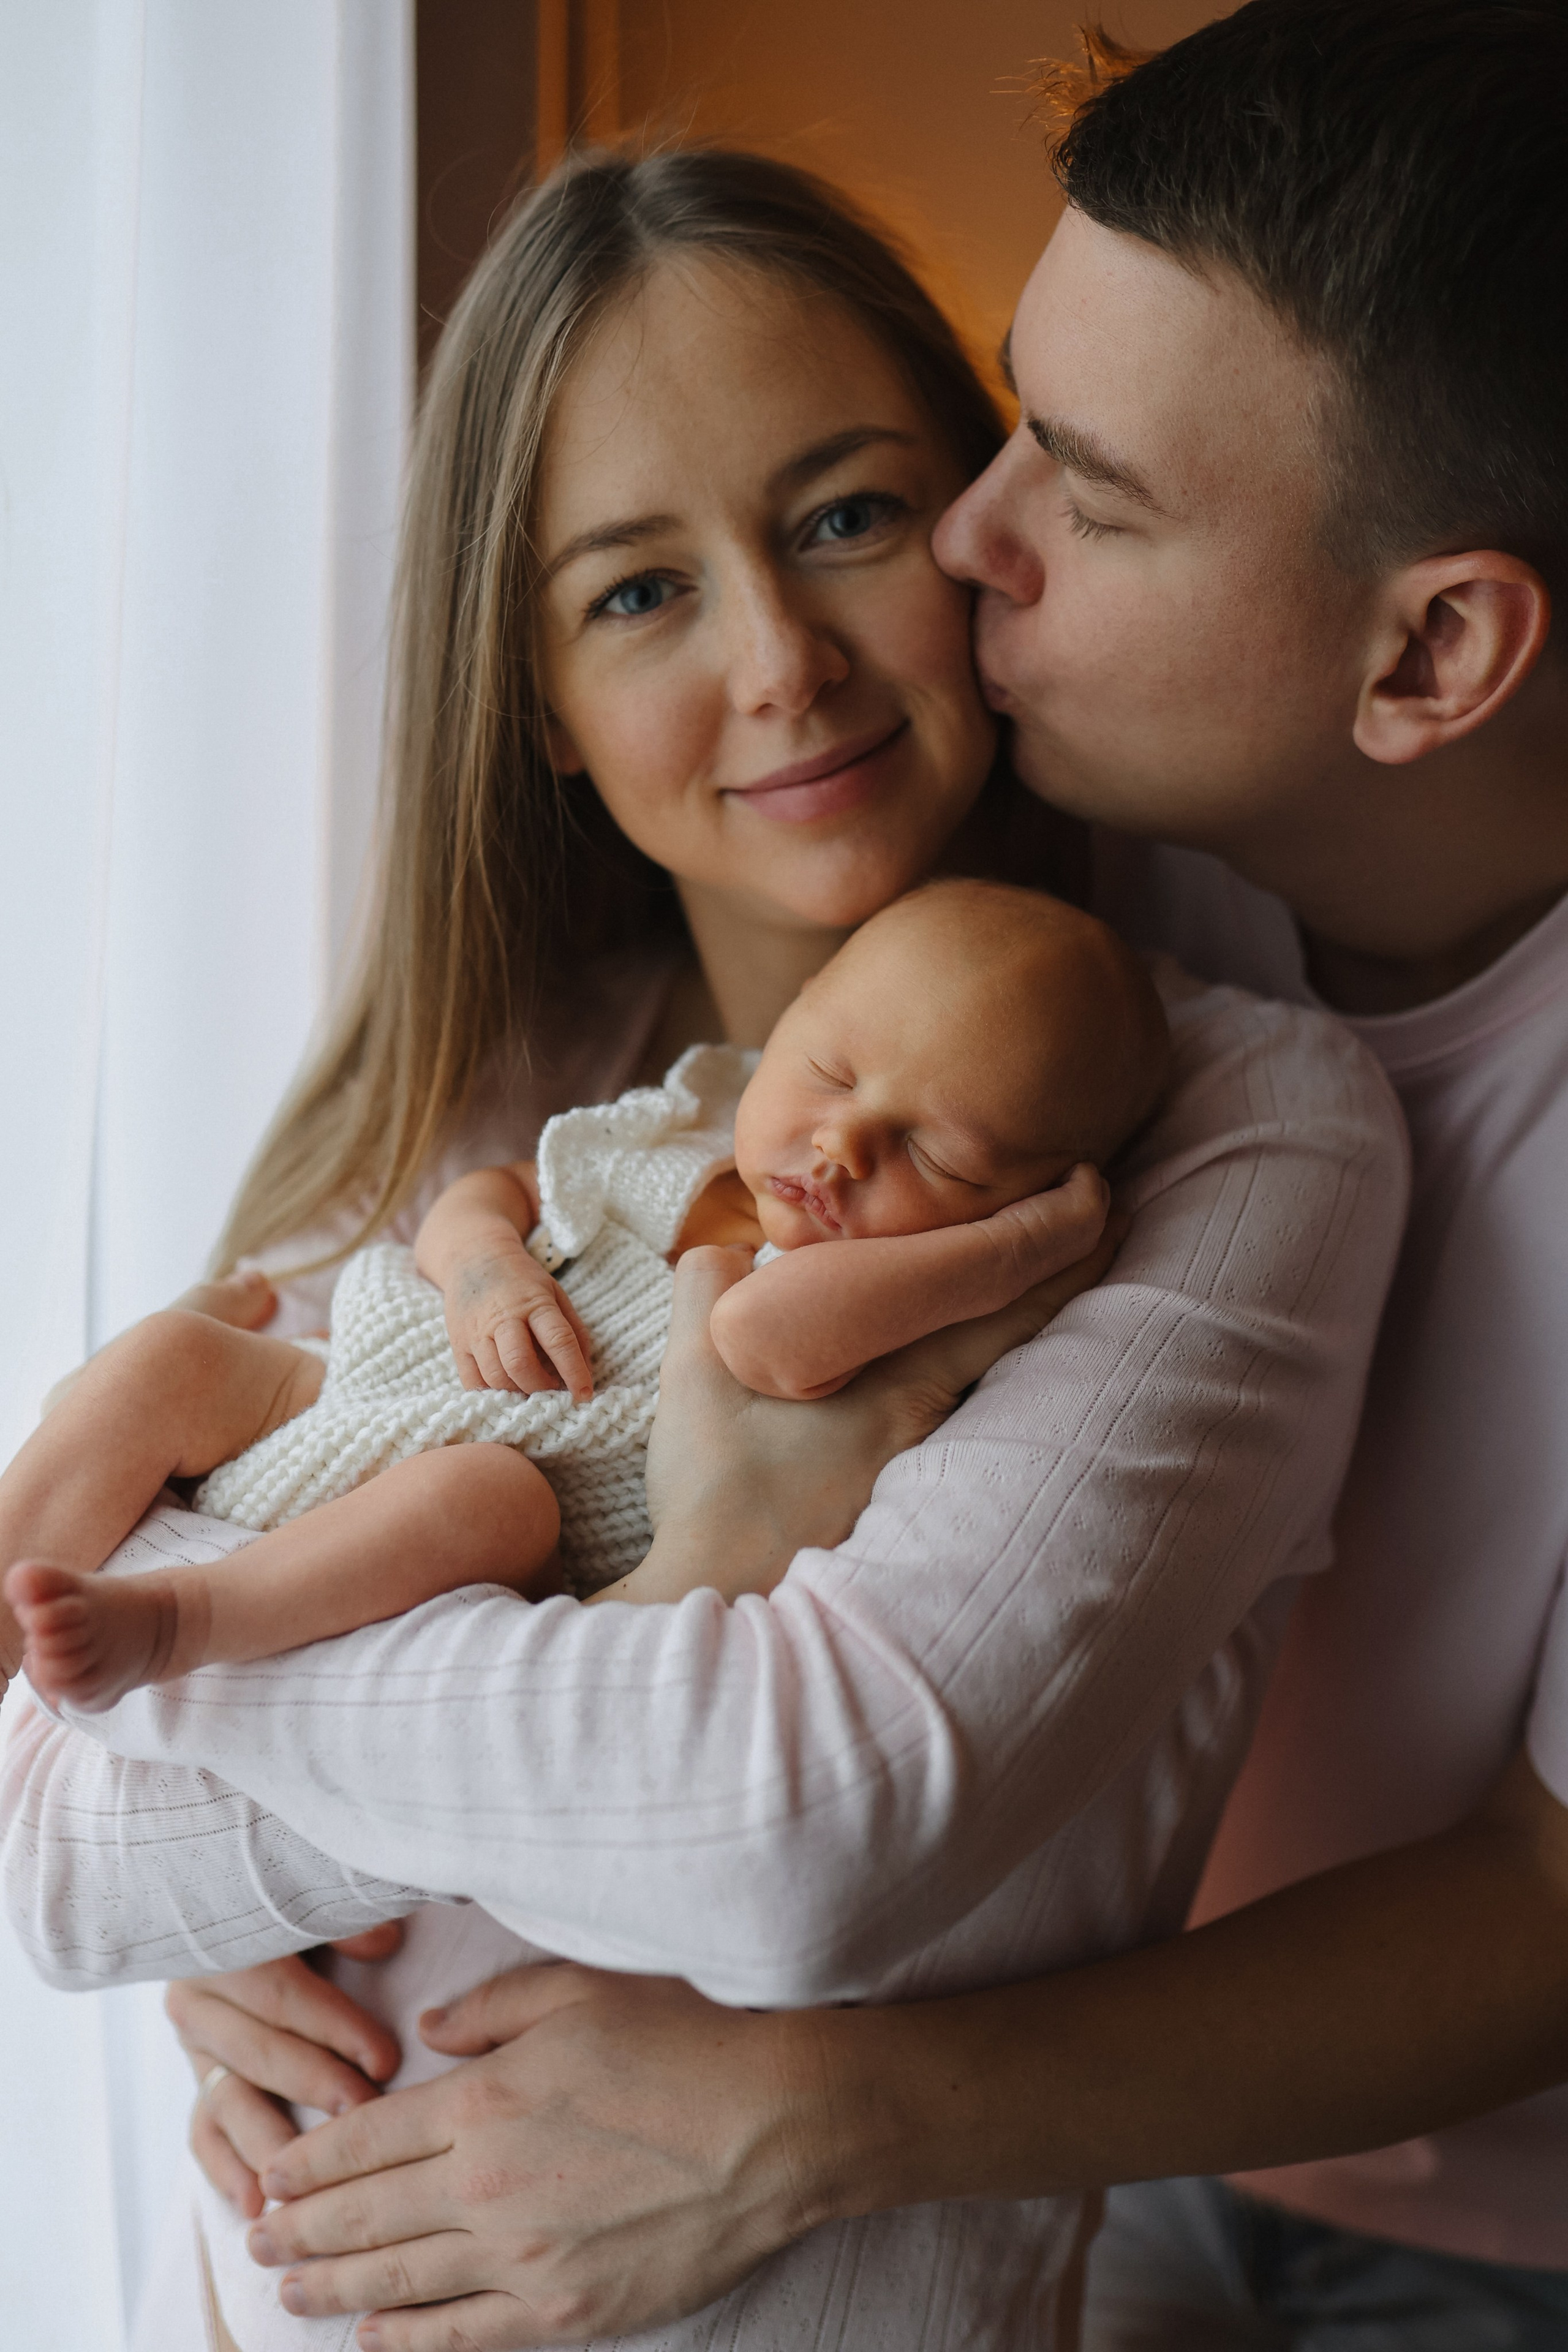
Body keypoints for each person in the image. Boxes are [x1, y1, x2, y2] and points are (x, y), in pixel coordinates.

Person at [159, 6, 1568, 2348]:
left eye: (1081, 489)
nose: (971, 546)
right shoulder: (1008, 888)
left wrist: (805, 2114)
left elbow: (1544, 1904)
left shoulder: (1204, 1064)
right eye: (1001, 423)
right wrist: (239, 1905)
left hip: (1464, 2199)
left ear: (1428, 651)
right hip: (1029, 2089)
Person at [2, 881, 1152, 1709]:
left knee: (483, 1494)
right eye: (832, 1072)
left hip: (499, 1515)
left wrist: (1015, 1252)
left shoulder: (875, 1291)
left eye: (937, 1159)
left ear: (1014, 1207)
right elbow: (487, 1190)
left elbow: (759, 1339)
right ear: (785, 1024)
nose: (843, 1142)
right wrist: (482, 1264)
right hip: (345, 1384)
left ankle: (187, 1621)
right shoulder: (678, 1137)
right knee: (174, 1357)